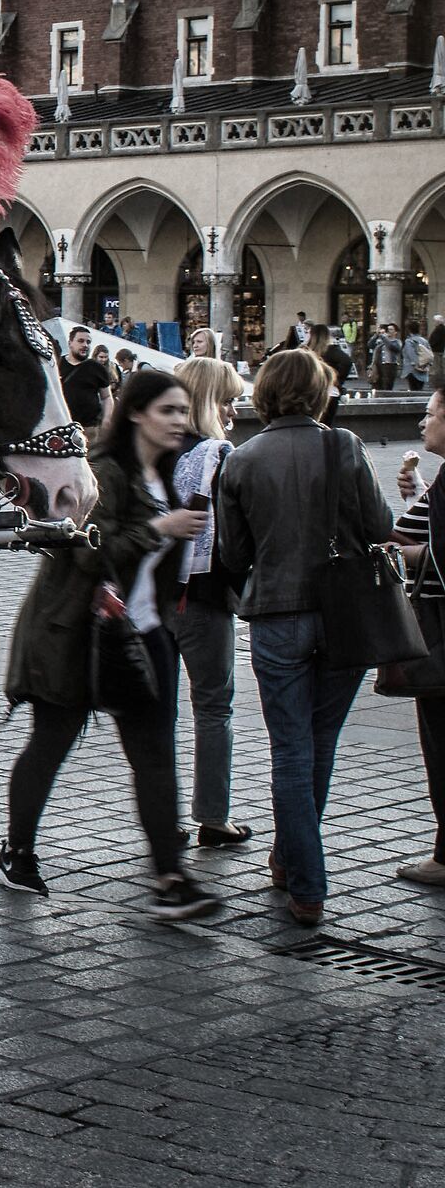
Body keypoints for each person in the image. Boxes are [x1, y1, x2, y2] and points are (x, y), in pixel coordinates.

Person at [0, 366, 220, 920]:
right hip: (73, 632)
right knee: (51, 743)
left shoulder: (167, 474)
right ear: (138, 413)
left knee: (154, 757)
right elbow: (87, 552)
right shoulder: (104, 472)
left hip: (142, 634)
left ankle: (170, 877)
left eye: (184, 411)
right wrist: (159, 531)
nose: (180, 422)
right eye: (168, 411)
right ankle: (17, 850)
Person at [217, 349, 395, 925]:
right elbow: (380, 529)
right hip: (345, 615)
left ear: (264, 393)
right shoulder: (344, 446)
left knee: (290, 749)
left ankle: (305, 881)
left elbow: (233, 556)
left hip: (275, 616)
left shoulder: (240, 460)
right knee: (321, 744)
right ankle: (295, 865)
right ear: (321, 392)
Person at [170, 356, 251, 847]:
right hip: (203, 596)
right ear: (209, 401)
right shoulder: (219, 455)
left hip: (149, 598)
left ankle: (163, 816)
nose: (234, 411)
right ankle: (213, 816)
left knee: (157, 710)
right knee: (213, 706)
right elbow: (236, 537)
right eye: (229, 400)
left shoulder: (151, 452)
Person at [393, 389, 445, 887]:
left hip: (441, 632)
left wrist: (397, 555)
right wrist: (419, 496)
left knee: (442, 739)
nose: (422, 422)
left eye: (430, 413)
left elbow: (439, 553)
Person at [61, 326, 116, 430]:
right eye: (80, 341)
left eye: (88, 342)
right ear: (70, 343)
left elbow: (107, 397)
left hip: (89, 428)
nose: (85, 345)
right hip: (62, 428)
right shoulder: (57, 365)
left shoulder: (97, 368)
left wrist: (107, 419)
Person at [309, 324, 354, 424]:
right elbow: (347, 362)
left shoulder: (308, 351)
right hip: (330, 392)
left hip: (311, 392)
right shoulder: (331, 350)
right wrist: (338, 379)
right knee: (326, 424)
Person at [371, 323, 403, 393]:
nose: (389, 331)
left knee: (387, 385)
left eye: (391, 329)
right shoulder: (381, 341)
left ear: (395, 332)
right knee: (377, 385)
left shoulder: (397, 342)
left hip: (390, 366)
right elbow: (370, 344)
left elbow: (392, 347)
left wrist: (384, 337)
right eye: (388, 329)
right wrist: (376, 335)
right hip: (378, 365)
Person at [405, 322, 433, 392]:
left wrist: (416, 364)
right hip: (424, 368)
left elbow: (411, 354)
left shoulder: (409, 341)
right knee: (420, 389)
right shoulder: (424, 341)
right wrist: (427, 364)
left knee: (413, 389)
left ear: (409, 330)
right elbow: (430, 353)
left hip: (413, 370)